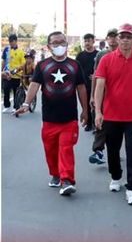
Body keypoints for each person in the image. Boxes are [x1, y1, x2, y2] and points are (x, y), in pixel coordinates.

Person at [16, 31, 88, 196]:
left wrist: (85, 110)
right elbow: (34, 85)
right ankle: (55, 174)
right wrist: (26, 103)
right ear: (49, 47)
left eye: (62, 42)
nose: (59, 46)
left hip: (69, 118)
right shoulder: (42, 66)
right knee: (51, 150)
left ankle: (67, 180)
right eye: (55, 43)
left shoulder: (75, 65)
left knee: (66, 148)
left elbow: (81, 88)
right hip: (49, 118)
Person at [94, 23, 132, 206]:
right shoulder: (106, 60)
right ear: (117, 39)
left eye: (129, 37)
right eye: (122, 36)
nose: (125, 40)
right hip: (111, 116)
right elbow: (100, 86)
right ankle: (116, 176)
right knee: (112, 152)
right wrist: (98, 112)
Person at [89, 28, 118, 165]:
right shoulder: (102, 55)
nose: (113, 39)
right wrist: (93, 96)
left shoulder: (127, 54)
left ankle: (114, 149)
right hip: (103, 94)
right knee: (100, 121)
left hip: (119, 96)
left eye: (115, 36)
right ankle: (98, 150)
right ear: (107, 39)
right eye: (110, 37)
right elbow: (96, 75)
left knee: (116, 127)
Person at [75, 33, 98, 131]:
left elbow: (101, 68)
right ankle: (89, 123)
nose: (87, 43)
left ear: (93, 41)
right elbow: (76, 69)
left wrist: (96, 76)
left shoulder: (98, 54)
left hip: (96, 84)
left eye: (89, 40)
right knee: (86, 103)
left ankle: (96, 122)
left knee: (96, 104)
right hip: (83, 85)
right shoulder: (80, 56)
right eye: (85, 41)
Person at [2, 33, 25, 112]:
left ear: (16, 41)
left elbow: (23, 63)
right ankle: (7, 105)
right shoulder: (6, 50)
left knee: (16, 91)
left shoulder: (21, 52)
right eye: (10, 41)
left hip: (16, 75)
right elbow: (4, 61)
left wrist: (18, 70)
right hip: (7, 73)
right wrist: (2, 71)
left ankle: (15, 107)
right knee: (6, 89)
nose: (11, 43)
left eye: (12, 41)